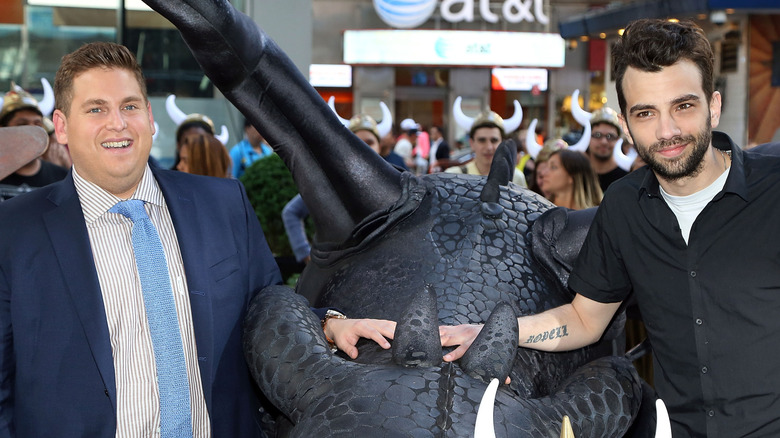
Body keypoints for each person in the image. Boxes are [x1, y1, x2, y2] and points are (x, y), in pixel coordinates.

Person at [0, 41, 393, 437]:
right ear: (63, 126)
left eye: (130, 106)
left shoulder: (223, 204)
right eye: (96, 109)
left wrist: (326, 325)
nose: (117, 123)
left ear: (150, 118)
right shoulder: (14, 231)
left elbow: (268, 308)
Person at [440, 18, 780, 437]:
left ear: (713, 105)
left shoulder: (774, 186)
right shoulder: (623, 205)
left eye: (683, 106)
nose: (667, 130)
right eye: (646, 113)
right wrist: (495, 330)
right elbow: (584, 319)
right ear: (625, 123)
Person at [0, 83, 68, 189]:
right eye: (22, 124)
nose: (33, 132)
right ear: (3, 129)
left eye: (37, 124)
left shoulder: (62, 177)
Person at [446, 106, 527, 187]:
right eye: (482, 140)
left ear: (502, 143)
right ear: (472, 143)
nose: (489, 147)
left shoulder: (516, 178)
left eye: (494, 140)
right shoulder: (453, 176)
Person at [165, 94, 229, 171]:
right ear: (178, 145)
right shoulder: (166, 181)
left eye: (201, 142)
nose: (194, 146)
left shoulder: (226, 181)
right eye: (187, 141)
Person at [586, 106, 629, 192]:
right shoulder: (575, 174)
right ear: (587, 137)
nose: (604, 142)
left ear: (618, 139)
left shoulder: (627, 177)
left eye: (610, 136)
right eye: (597, 135)